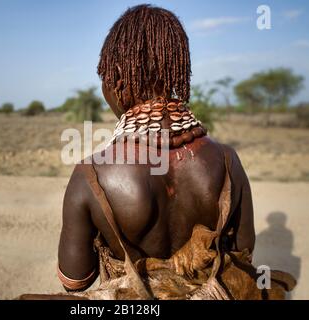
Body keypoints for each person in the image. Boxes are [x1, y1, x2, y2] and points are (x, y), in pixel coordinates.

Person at [57, 4, 255, 294]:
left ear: (118, 80)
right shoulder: (227, 159)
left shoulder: (91, 175)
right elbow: (244, 252)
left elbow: (75, 280)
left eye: (105, 78)